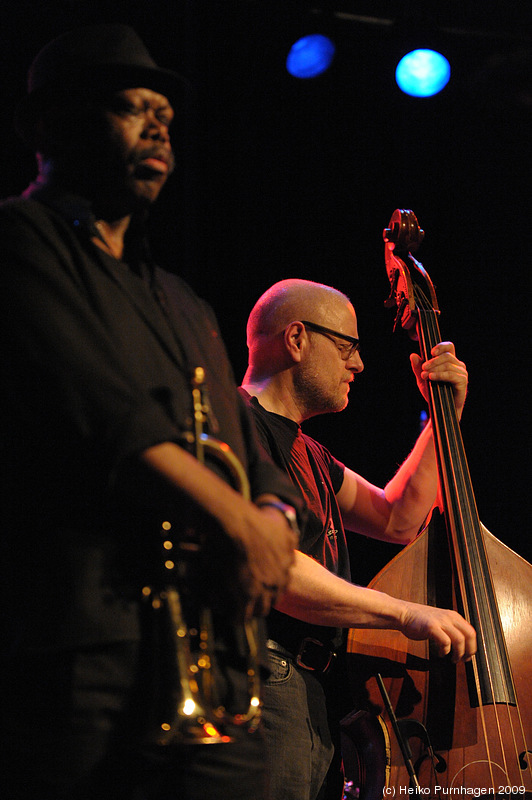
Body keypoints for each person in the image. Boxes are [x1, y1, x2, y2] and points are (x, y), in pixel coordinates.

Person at [0, 24, 303, 800]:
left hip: (214, 660)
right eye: (131, 107)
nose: (159, 123)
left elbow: (250, 446)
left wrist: (273, 514)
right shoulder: (19, 240)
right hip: (81, 653)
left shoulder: (183, 300)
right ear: (46, 127)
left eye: (164, 111)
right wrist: (236, 524)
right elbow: (92, 407)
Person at [240, 278, 477, 800]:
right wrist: (402, 612)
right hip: (264, 676)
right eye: (347, 347)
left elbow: (397, 519)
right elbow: (277, 570)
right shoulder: (237, 427)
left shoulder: (312, 455)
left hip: (313, 690)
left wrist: (446, 414)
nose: (359, 365)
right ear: (297, 339)